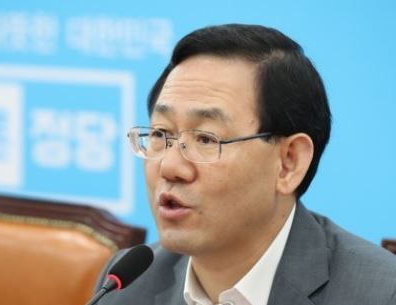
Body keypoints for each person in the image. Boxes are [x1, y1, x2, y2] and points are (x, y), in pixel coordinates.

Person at [95, 24, 396, 305]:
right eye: (161, 134)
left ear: (289, 162)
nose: (170, 167)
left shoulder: (379, 292)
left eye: (206, 139)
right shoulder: (128, 284)